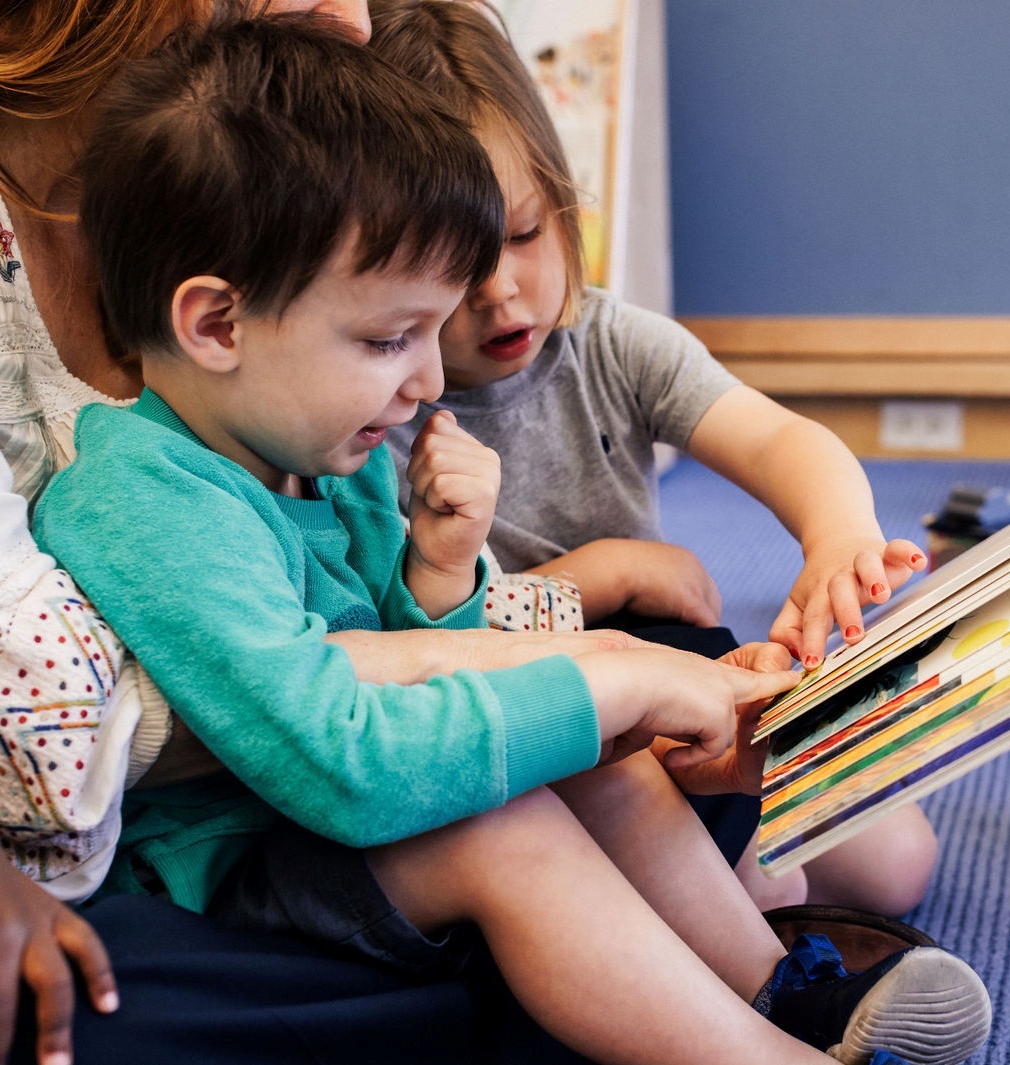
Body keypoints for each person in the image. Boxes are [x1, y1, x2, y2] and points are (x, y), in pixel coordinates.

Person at [30, 16, 992, 1065]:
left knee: (575, 738)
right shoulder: (146, 500)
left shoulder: (322, 455)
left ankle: (774, 989)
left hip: (325, 833)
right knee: (510, 810)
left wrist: (445, 569)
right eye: (390, 339)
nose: (428, 383)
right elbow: (339, 757)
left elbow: (447, 649)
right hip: (234, 879)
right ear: (216, 326)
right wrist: (615, 686)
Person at [374, 0, 939, 917]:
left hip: (679, 668)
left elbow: (778, 438)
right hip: (539, 721)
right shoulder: (377, 406)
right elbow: (414, 631)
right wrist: (605, 575)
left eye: (520, 234)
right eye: (451, 264)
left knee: (894, 865)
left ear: (563, 203)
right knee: (760, 884)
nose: (500, 290)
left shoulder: (611, 341)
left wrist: (836, 531)